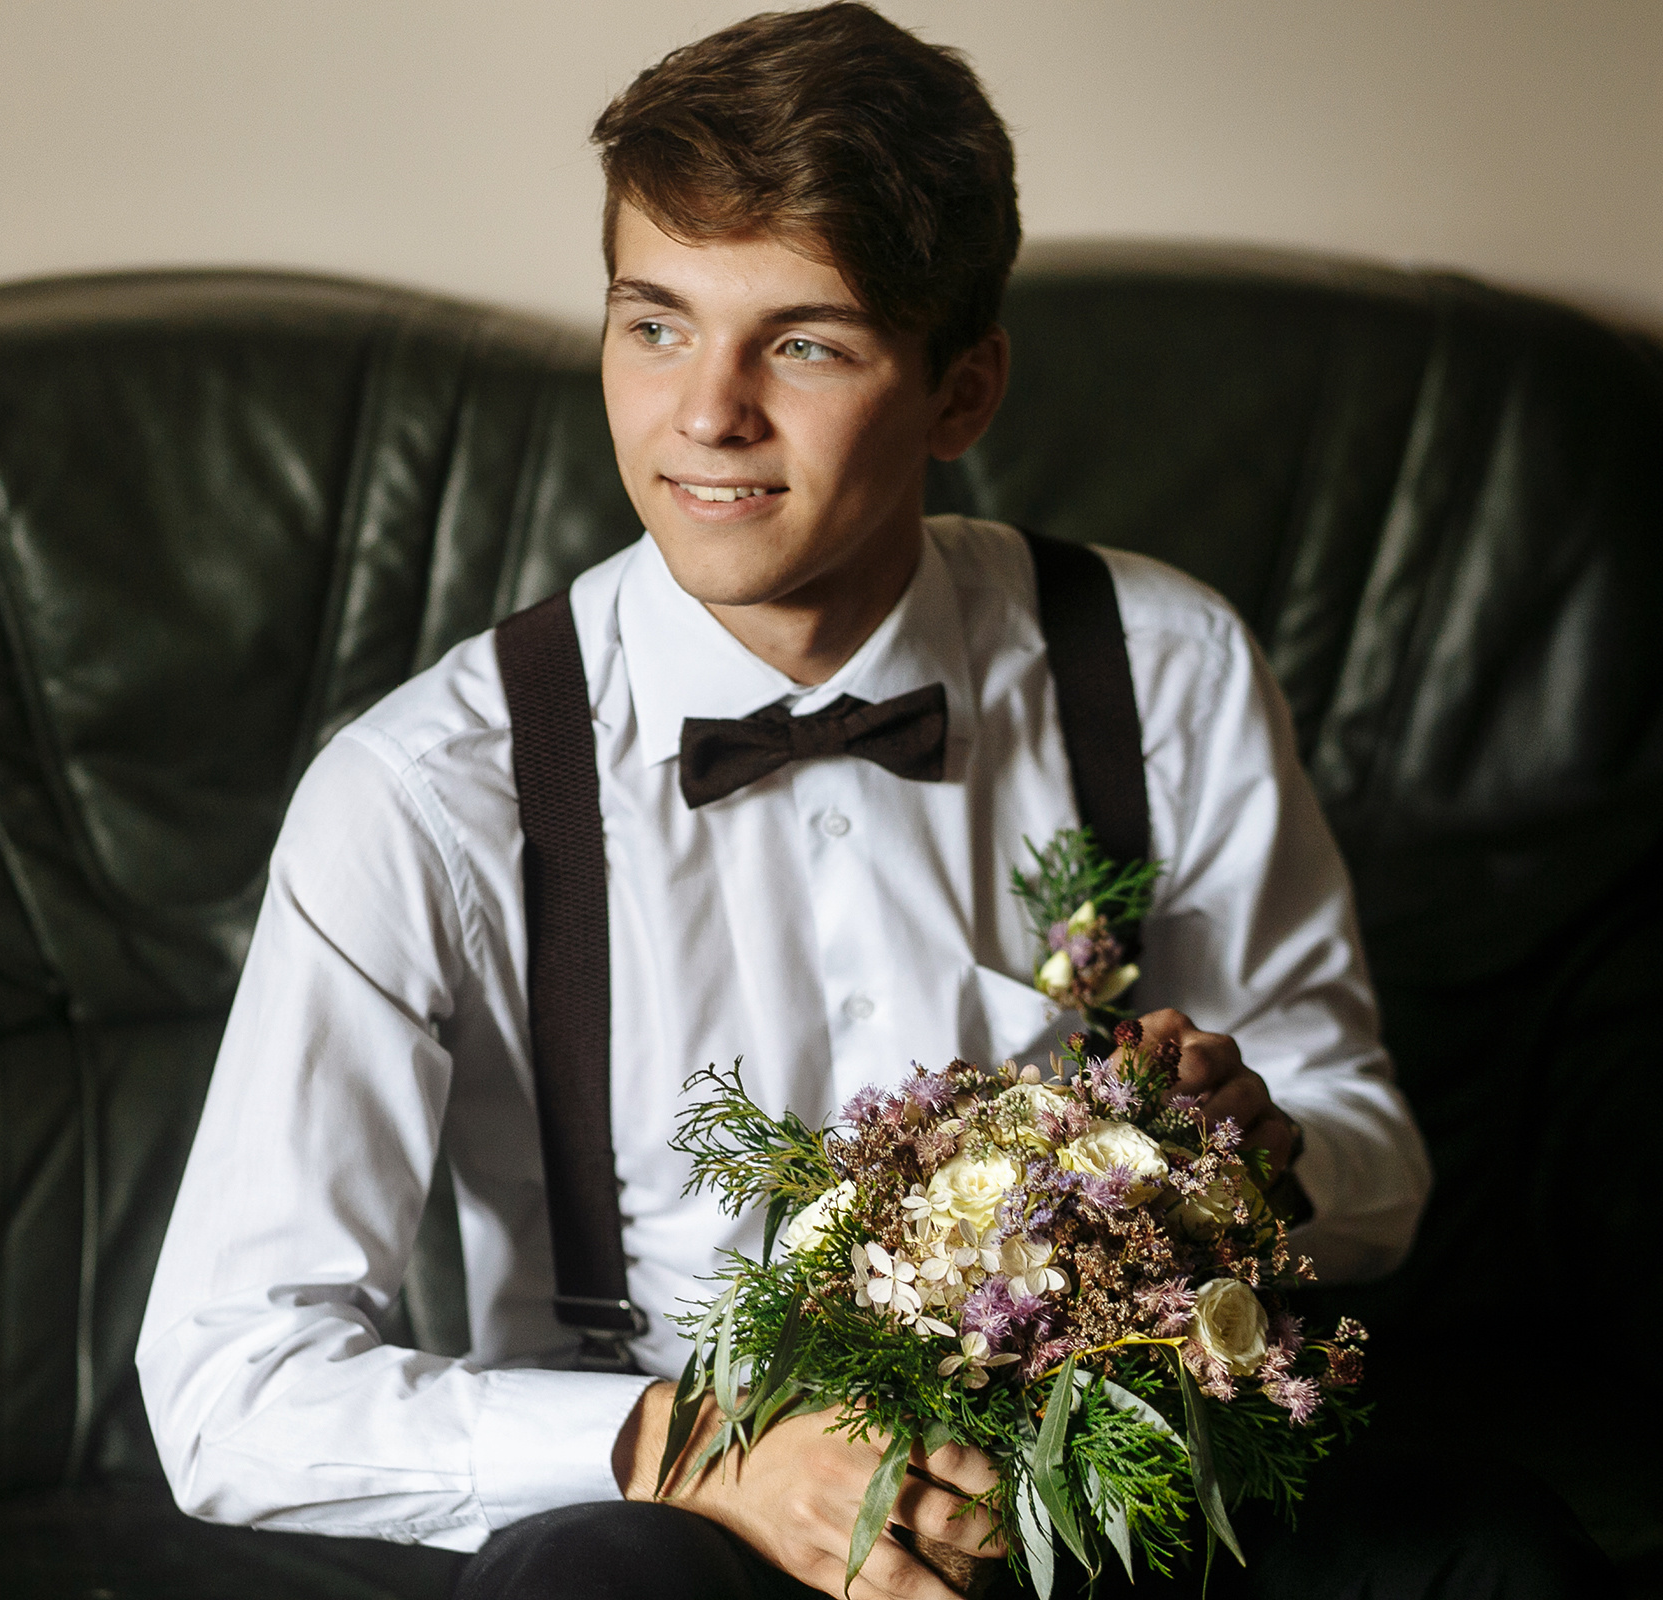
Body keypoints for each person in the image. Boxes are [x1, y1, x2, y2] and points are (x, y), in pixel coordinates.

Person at [132, 6, 1516, 1596]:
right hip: (675, 1520)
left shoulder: (1160, 663)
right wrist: (697, 1447)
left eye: (803, 342)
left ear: (961, 391)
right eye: (653, 324)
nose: (704, 413)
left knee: (1493, 1553)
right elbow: (230, 1387)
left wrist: (1257, 1155)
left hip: (1119, 1476)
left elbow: (1378, 1171)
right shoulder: (423, 794)